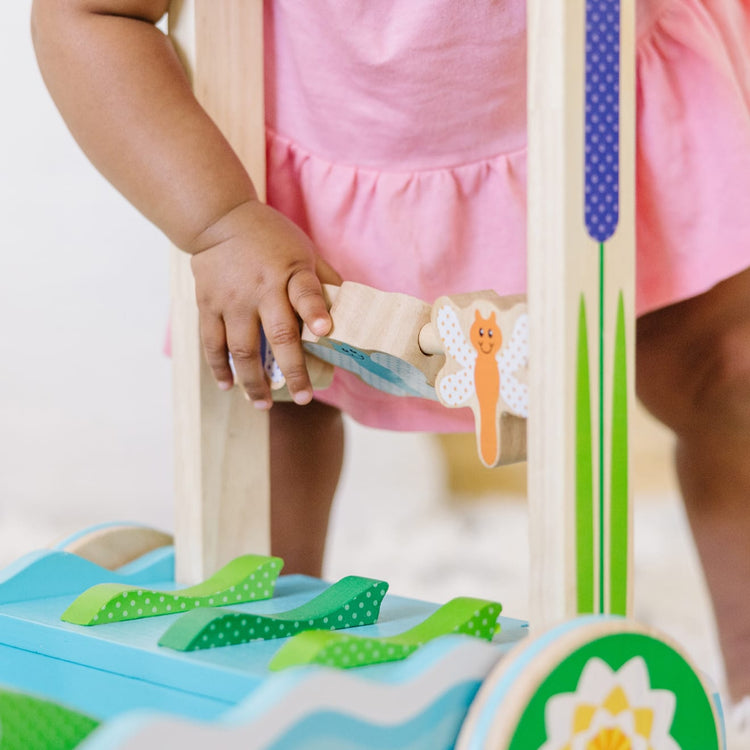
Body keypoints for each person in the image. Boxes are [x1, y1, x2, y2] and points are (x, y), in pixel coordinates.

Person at [31, 0, 750, 704]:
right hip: (309, 157)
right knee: (271, 391)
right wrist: (220, 221)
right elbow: (85, 15)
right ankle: (242, 668)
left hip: (609, 116)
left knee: (728, 371)